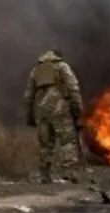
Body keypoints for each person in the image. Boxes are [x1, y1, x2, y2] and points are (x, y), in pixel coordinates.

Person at [23, 49, 85, 184]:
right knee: (67, 140)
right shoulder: (62, 66)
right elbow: (74, 88)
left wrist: (29, 116)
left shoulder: (36, 70)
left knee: (45, 143)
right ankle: (70, 173)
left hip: (41, 109)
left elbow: (28, 95)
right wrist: (78, 110)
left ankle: (44, 175)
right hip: (59, 108)